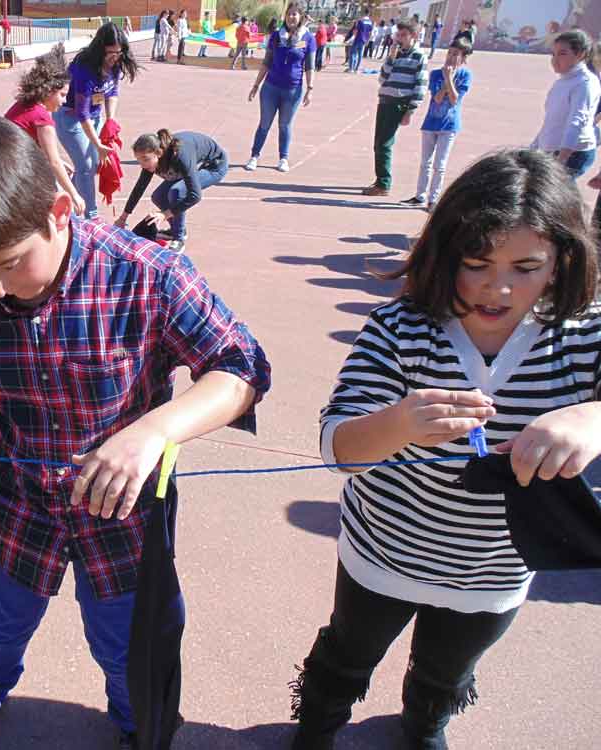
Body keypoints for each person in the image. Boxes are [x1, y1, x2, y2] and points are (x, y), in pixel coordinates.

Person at [0, 110, 271, 750]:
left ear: (57, 211)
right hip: (16, 509)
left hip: (124, 520)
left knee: (128, 644)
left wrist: (156, 430)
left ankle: (135, 723)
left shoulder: (147, 274)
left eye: (9, 264)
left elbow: (242, 368)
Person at [290, 147, 601, 750]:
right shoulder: (400, 328)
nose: (497, 287)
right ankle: (319, 723)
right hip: (384, 555)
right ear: (445, 251)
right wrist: (400, 423)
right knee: (346, 654)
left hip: (494, 573)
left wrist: (592, 417)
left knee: (447, 671)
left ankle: (426, 722)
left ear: (562, 261)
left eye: (526, 266)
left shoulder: (585, 334)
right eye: (476, 263)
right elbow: (339, 449)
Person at [53, 22, 138, 220]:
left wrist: (110, 120)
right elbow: (82, 113)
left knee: (93, 166)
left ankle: (72, 202)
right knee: (87, 166)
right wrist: (98, 144)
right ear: (100, 49)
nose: (114, 57)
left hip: (95, 115)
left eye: (118, 52)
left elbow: (112, 92)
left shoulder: (116, 64)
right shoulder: (84, 70)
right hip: (71, 118)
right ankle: (91, 216)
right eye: (110, 52)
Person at [114, 129, 228, 252]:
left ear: (159, 153)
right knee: (158, 196)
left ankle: (179, 239)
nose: (142, 165)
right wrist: (123, 218)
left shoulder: (180, 155)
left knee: (177, 191)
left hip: (214, 166)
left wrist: (165, 214)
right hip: (192, 165)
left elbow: (195, 195)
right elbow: (139, 188)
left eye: (145, 159)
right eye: (139, 160)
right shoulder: (152, 159)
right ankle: (177, 229)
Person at [4, 43, 85, 214]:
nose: (64, 101)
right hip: (13, 172)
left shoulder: (24, 104)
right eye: (62, 95)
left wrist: (59, 161)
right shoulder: (42, 117)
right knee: (53, 202)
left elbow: (38, 148)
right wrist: (74, 194)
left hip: (4, 165)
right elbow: (53, 162)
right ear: (48, 90)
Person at [402, 37, 473, 211]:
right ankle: (420, 195)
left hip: (449, 126)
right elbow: (438, 98)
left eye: (455, 54)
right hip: (430, 124)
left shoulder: (465, 75)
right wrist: (446, 78)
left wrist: (450, 79)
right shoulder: (435, 74)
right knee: (425, 162)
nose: (451, 57)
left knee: (439, 165)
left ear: (463, 58)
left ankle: (433, 199)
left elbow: (455, 99)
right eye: (449, 53)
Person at [244, 1, 316, 173]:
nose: (291, 17)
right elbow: (267, 62)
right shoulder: (277, 36)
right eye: (289, 14)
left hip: (293, 91)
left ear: (300, 17)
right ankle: (254, 156)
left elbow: (310, 66)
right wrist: (256, 85)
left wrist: (310, 89)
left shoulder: (308, 39)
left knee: (285, 125)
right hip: (271, 88)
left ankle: (283, 158)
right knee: (264, 123)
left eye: (295, 14)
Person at [362, 19, 428, 197]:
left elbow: (420, 85)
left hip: (398, 103)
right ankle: (380, 179)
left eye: (404, 35)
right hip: (385, 101)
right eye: (398, 35)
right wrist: (390, 59)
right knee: (378, 143)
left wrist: (410, 110)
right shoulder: (395, 54)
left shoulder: (418, 56)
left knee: (384, 143)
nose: (400, 39)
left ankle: (383, 183)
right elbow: (382, 78)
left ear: (413, 36)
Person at [531, 29, 601, 179]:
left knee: (557, 191)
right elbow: (552, 120)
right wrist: (534, 147)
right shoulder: (562, 81)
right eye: (553, 54)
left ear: (580, 54)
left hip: (573, 153)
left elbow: (577, 121)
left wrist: (561, 161)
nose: (554, 60)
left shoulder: (585, 83)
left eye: (562, 54)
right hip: (552, 150)